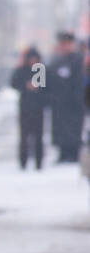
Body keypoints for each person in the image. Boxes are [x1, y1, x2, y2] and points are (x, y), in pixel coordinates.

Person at [48, 31, 86, 163]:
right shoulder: (56, 61)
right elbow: (47, 78)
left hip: (73, 103)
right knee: (60, 130)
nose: (63, 47)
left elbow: (79, 82)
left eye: (66, 44)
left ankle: (73, 154)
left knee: (73, 130)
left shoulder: (78, 60)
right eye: (61, 44)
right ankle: (63, 153)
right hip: (59, 103)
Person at [9, 45, 49, 170]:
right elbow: (14, 83)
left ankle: (39, 162)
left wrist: (37, 89)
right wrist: (26, 86)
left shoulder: (40, 70)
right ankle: (23, 162)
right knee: (24, 136)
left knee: (38, 136)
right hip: (25, 107)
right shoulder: (22, 70)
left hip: (38, 107)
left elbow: (46, 87)